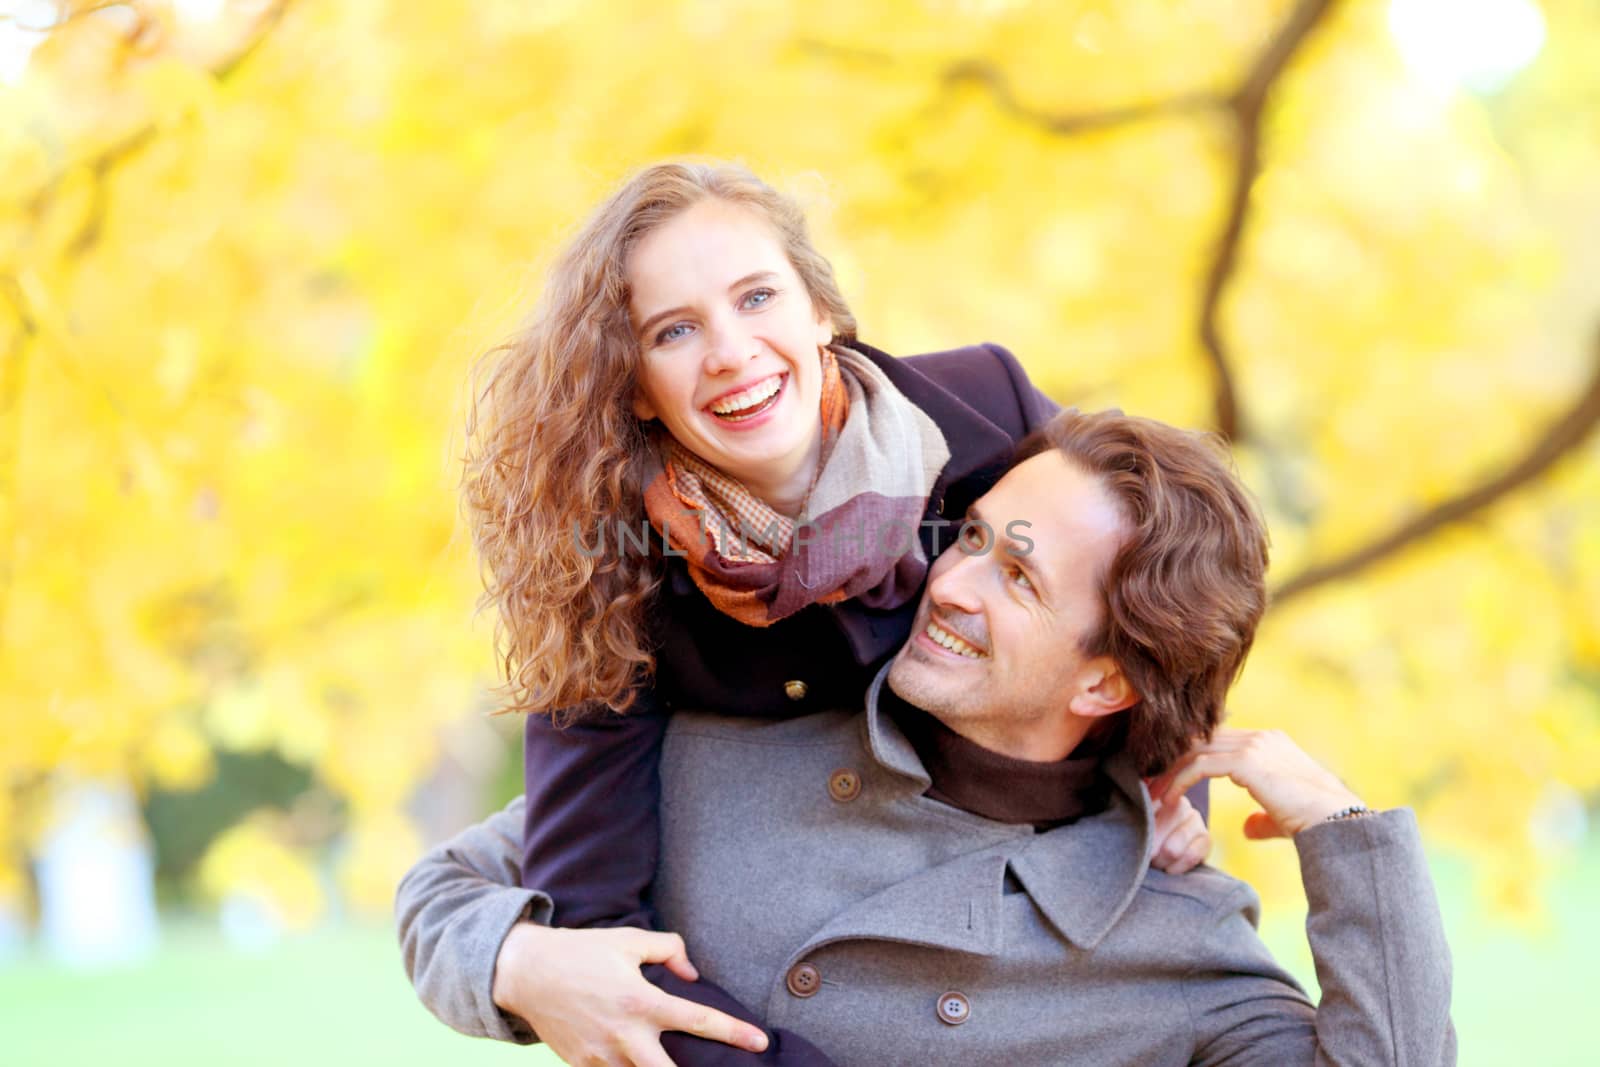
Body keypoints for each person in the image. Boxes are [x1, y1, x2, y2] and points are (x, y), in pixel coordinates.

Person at [398, 409, 1456, 1066]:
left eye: (1018, 576)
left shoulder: (1171, 941)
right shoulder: (736, 750)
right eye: (976, 538)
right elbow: (444, 891)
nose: (947, 582)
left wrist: (1342, 831)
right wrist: (524, 963)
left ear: (1108, 677)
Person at [455, 161, 1211, 1063]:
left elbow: (1170, 577)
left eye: (757, 296)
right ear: (631, 383)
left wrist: (1168, 784)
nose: (730, 351)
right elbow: (600, 939)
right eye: (675, 330)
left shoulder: (984, 412)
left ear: (822, 311)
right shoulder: (611, 583)